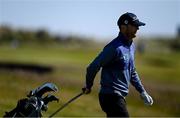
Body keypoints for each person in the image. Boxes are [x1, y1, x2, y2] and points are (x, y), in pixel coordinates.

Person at [82, 12, 153, 117]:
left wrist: (142, 91)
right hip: (110, 97)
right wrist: (89, 85)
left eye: (138, 26)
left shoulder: (131, 46)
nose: (137, 28)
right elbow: (93, 67)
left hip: (119, 97)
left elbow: (132, 71)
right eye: (134, 26)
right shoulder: (114, 48)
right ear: (123, 27)